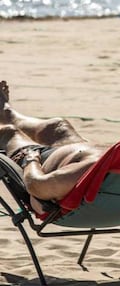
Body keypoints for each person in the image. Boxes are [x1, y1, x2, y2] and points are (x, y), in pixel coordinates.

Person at [0, 81, 105, 215]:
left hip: (42, 165)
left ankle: (6, 119)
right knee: (58, 127)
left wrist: (30, 160)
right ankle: (8, 114)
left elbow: (38, 186)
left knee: (9, 133)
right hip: (78, 157)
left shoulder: (85, 170)